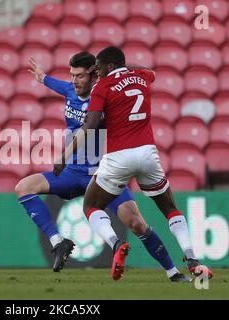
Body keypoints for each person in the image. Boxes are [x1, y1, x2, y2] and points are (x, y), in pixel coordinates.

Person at [15, 52, 190, 282]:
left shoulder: (105, 96)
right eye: (72, 75)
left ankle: (173, 272)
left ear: (94, 74)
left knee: (137, 224)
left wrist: (123, 68)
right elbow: (56, 84)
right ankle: (58, 243)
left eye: (79, 76)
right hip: (70, 174)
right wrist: (42, 77)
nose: (75, 81)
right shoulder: (70, 90)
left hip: (101, 175)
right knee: (23, 187)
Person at [55, 46, 212, 279]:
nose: (97, 73)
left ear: (109, 66)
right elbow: (151, 72)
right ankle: (191, 258)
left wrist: (65, 156)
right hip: (148, 154)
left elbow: (90, 124)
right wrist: (123, 69)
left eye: (99, 68)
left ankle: (115, 243)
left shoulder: (102, 87)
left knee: (91, 206)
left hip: (119, 156)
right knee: (170, 208)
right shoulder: (142, 77)